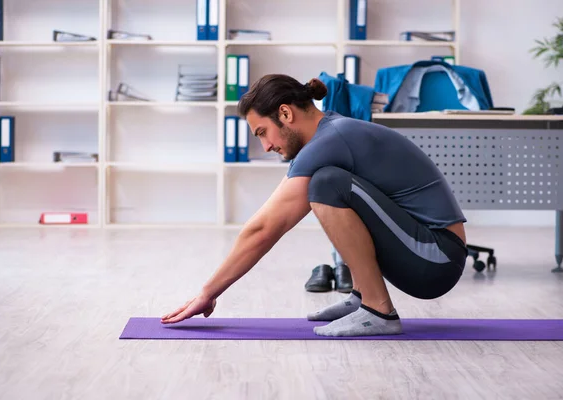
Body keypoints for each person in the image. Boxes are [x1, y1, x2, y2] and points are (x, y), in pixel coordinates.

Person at [161, 74, 468, 337]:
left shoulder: (330, 140)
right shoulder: (331, 135)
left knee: (327, 184)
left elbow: (264, 228)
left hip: (436, 259)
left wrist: (207, 293)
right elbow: (272, 213)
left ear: (285, 113)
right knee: (328, 180)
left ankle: (379, 310)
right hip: (430, 253)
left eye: (262, 133)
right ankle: (362, 296)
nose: (266, 146)